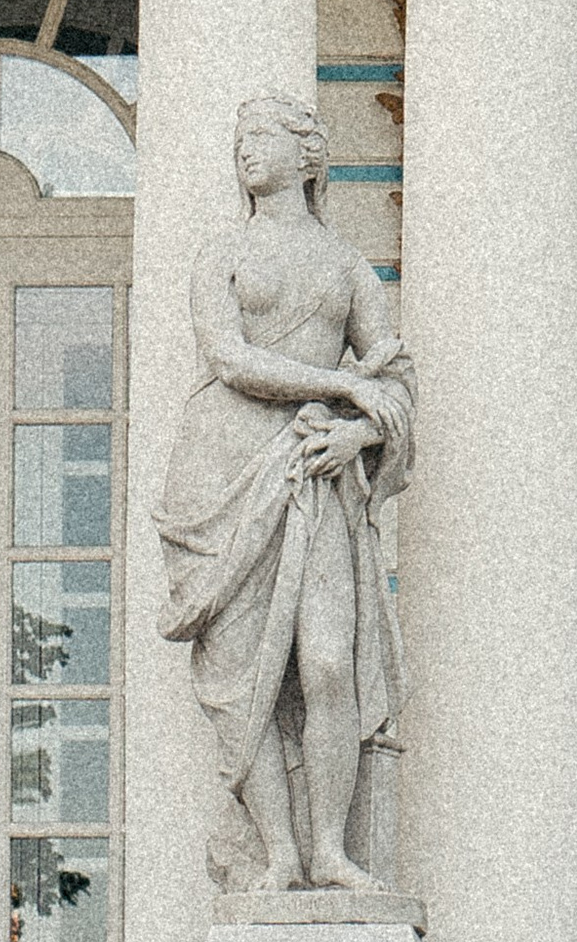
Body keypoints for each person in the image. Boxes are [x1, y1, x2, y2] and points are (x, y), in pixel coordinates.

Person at [153, 92, 414, 893]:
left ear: (309, 156)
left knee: (328, 663)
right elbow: (229, 359)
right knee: (243, 678)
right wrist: (342, 385)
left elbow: (397, 378)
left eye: (261, 135)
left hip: (315, 470)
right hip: (222, 470)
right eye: (239, 138)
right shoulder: (220, 253)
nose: (245, 149)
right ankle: (279, 853)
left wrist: (358, 434)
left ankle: (331, 849)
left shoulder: (344, 264)